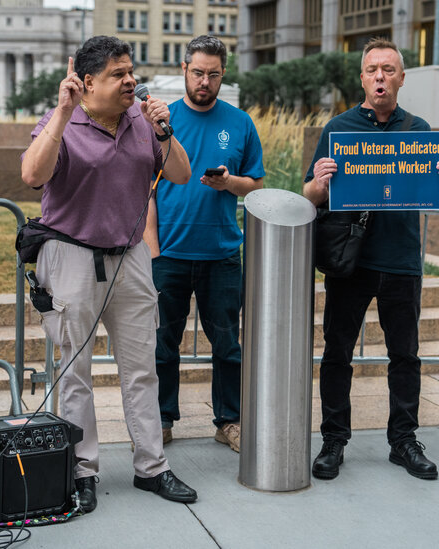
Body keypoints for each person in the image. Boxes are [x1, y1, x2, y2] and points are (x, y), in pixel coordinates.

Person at [20, 35, 198, 512]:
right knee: (75, 372)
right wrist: (62, 114)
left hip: (131, 256)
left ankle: (152, 467)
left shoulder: (141, 120)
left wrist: (164, 131)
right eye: (118, 74)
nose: (130, 81)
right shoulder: (61, 120)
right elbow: (32, 175)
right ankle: (82, 471)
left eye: (131, 71)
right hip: (72, 256)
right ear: (88, 82)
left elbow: (180, 174)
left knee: (142, 370)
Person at [302, 37, 439, 481]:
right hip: (350, 262)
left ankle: (404, 441)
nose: (380, 77)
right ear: (362, 78)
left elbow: (433, 191)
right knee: (337, 354)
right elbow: (309, 195)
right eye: (372, 70)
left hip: (401, 261)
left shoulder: (419, 131)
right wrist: (320, 182)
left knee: (405, 356)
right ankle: (334, 440)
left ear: (401, 78)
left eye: (388, 70)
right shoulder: (339, 128)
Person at [142, 35, 265, 453]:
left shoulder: (240, 123)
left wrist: (229, 183)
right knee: (162, 345)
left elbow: (255, 186)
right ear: (184, 69)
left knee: (228, 346)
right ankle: (162, 419)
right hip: (169, 255)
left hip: (222, 254)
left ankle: (229, 420)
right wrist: (153, 250)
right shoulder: (162, 122)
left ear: (223, 74)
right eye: (197, 72)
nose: (204, 82)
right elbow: (146, 190)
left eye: (213, 74)